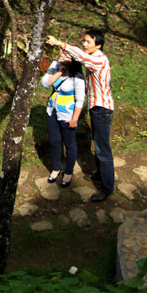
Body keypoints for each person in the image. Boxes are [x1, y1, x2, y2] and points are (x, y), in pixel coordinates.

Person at [46, 29, 114, 202]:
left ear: (98, 45)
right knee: (99, 144)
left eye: (88, 42)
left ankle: (106, 188)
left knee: (102, 149)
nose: (84, 44)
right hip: (96, 108)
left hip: (102, 108)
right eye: (83, 41)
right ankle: (100, 175)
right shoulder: (95, 58)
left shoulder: (98, 60)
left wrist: (61, 44)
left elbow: (83, 59)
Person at [41, 50, 85, 187]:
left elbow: (80, 100)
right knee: (54, 141)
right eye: (60, 55)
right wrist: (59, 72)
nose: (61, 57)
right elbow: (45, 83)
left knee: (69, 143)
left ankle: (68, 171)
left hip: (68, 115)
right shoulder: (55, 66)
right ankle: (55, 168)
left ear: (73, 60)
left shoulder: (77, 77)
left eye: (65, 56)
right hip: (52, 111)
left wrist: (75, 119)